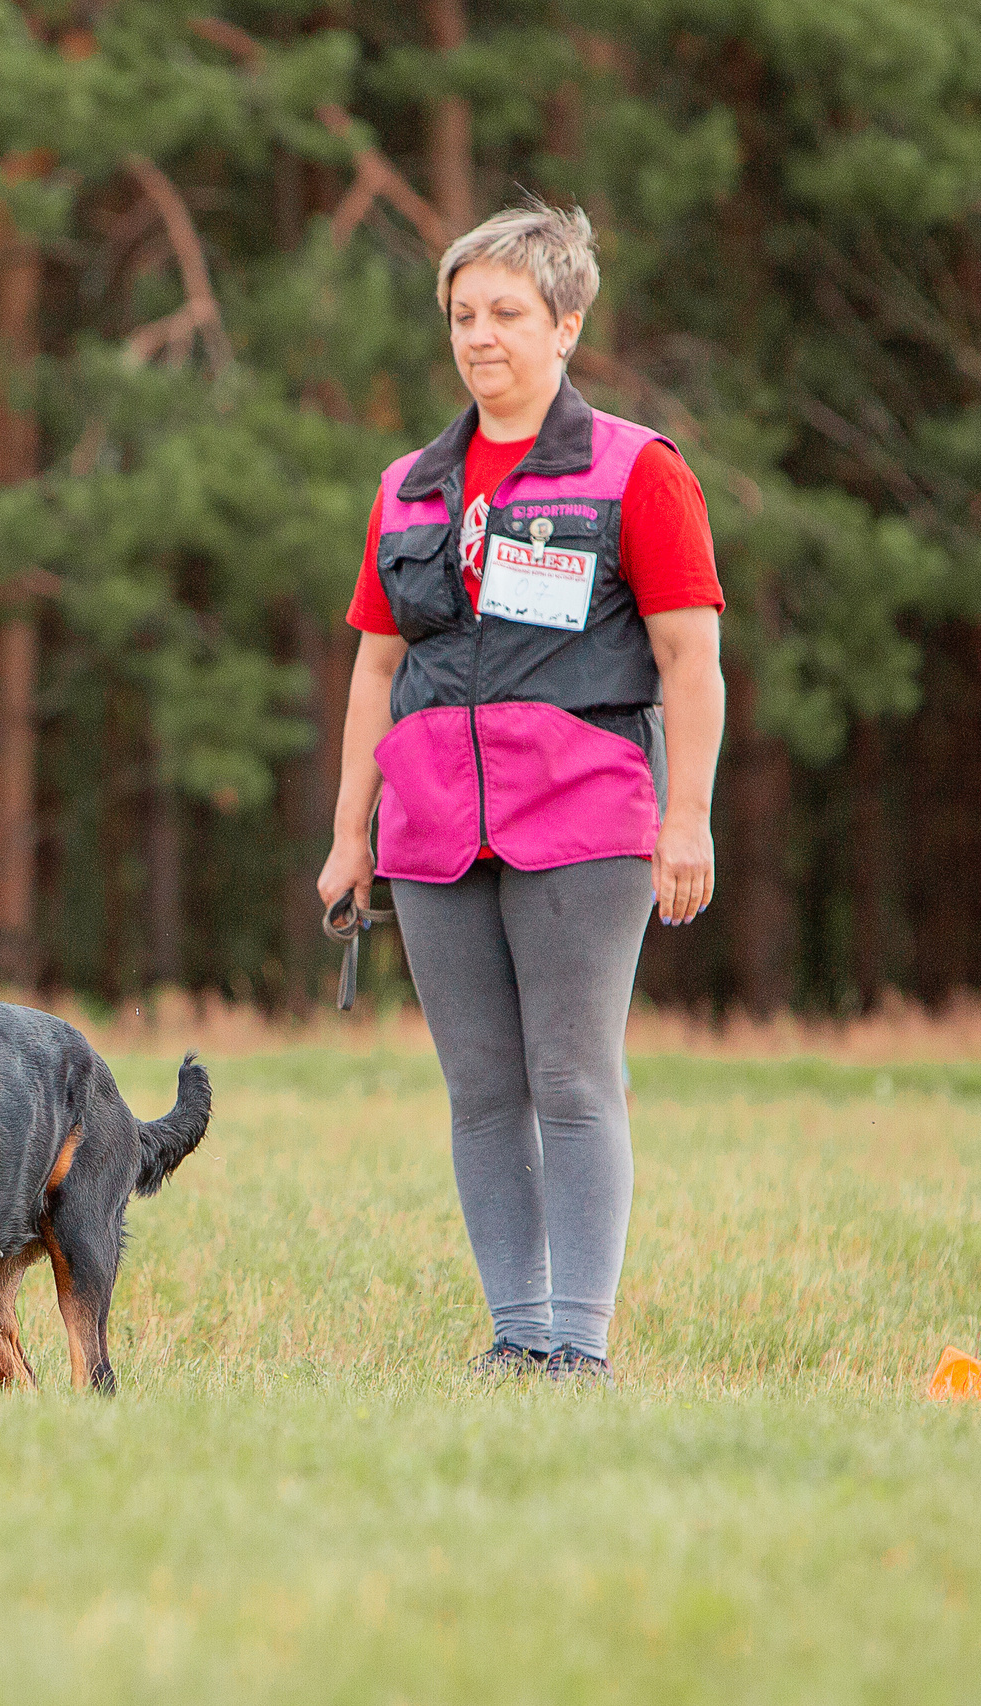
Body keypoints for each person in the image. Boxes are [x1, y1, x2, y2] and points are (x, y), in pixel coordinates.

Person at [316, 201, 726, 1384]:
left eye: (506, 313)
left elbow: (692, 658)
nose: (480, 336)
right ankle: (517, 1335)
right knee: (482, 1091)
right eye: (462, 315)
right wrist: (352, 833)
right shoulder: (408, 485)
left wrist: (685, 815)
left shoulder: (636, 471)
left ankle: (578, 1349)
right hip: (433, 827)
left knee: (573, 1079)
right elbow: (375, 666)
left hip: (588, 819)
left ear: (567, 323)